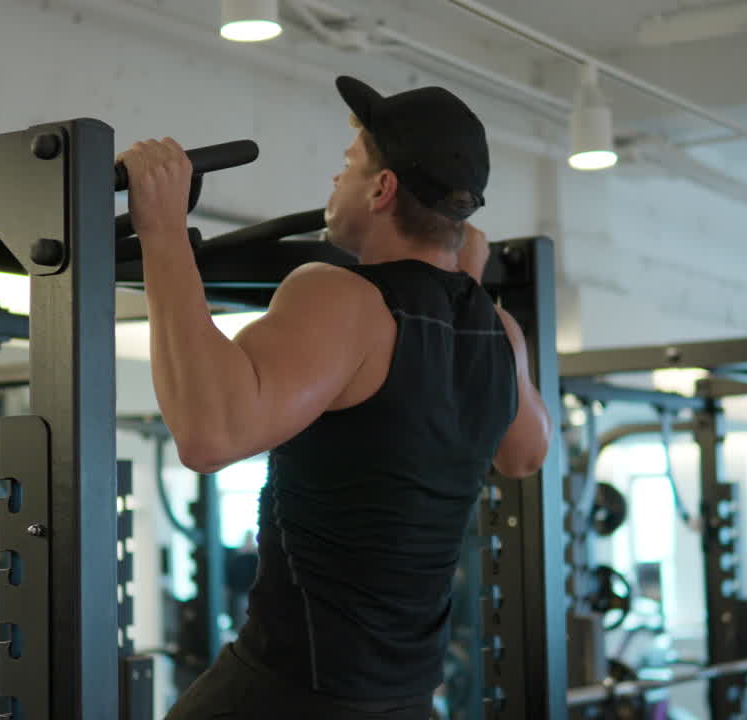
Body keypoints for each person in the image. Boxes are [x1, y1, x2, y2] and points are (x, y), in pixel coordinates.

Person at [117, 75, 552, 719]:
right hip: (406, 702)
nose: (334, 180)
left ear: (382, 190)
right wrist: (466, 287)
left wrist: (164, 234)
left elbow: (207, 434)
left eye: (347, 166)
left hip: (290, 697)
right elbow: (525, 455)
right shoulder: (498, 333)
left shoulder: (339, 294)